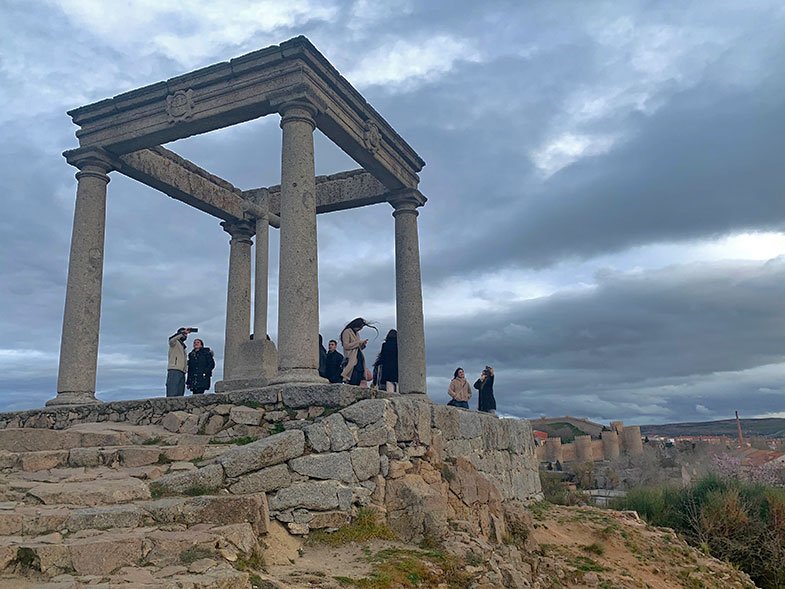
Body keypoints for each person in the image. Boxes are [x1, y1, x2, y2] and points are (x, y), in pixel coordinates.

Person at [340, 317, 376, 385]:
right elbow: (346, 346)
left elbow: (357, 347)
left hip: (359, 358)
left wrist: (362, 344)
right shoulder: (347, 332)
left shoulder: (357, 334)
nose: (360, 329)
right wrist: (359, 342)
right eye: (360, 327)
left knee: (358, 379)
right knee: (352, 377)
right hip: (352, 359)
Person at [166, 327, 192, 397]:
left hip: (182, 371)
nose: (185, 336)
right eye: (184, 334)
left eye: (186, 335)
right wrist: (183, 333)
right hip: (174, 369)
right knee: (172, 392)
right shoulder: (174, 343)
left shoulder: (183, 347)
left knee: (180, 394)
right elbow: (171, 339)